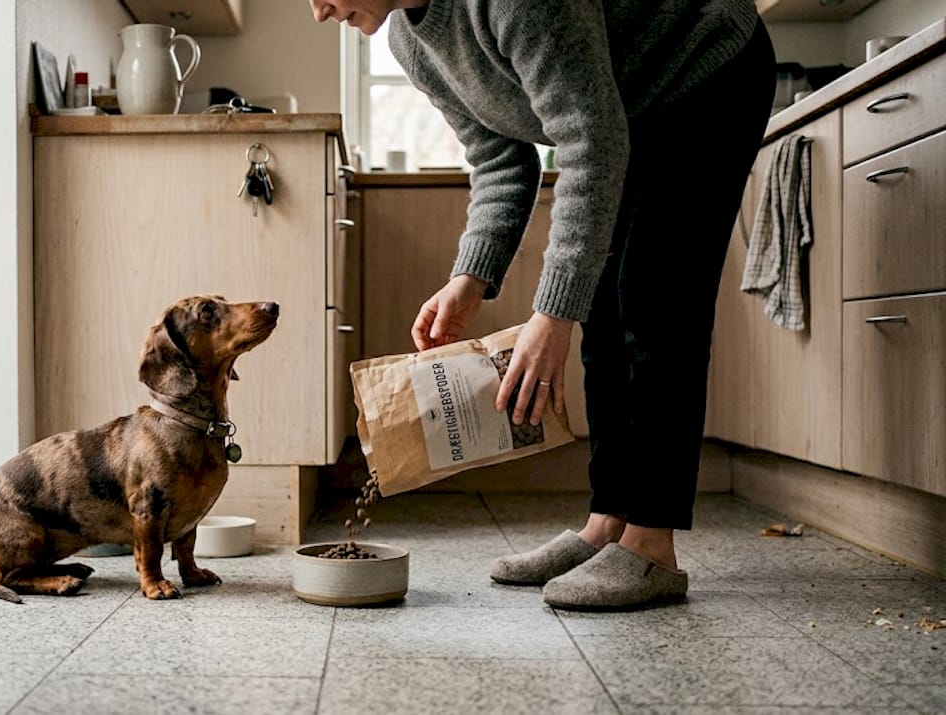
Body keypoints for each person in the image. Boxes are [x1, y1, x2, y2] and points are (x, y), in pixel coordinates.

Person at [310, 0, 776, 610]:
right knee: (605, 310)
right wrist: (469, 277)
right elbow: (501, 158)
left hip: (704, 71)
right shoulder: (408, 41)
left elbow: (590, 139)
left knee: (654, 299)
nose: (319, 11)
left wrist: (552, 313)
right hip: (622, 109)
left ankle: (651, 545)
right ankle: (608, 522)